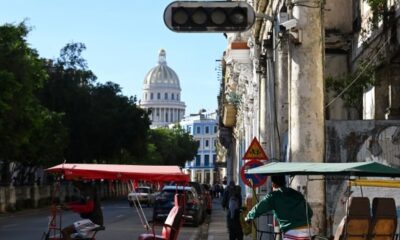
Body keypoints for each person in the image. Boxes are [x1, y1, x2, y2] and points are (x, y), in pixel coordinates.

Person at [245, 175, 313, 240]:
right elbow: (310, 213)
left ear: (273, 184)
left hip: (293, 233)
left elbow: (259, 207)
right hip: (308, 231)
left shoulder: (273, 196)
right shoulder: (297, 194)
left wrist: (249, 216)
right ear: (284, 182)